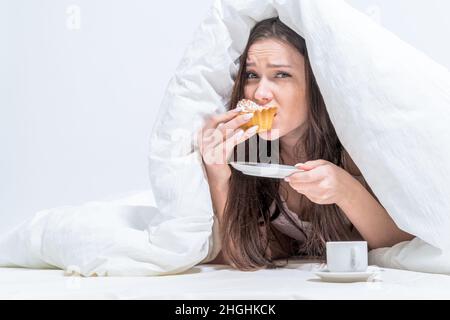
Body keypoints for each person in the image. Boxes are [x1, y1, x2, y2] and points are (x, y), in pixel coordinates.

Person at [198, 17, 413, 270]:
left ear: (316, 83)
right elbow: (251, 255)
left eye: (281, 74)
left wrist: (345, 189)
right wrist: (218, 178)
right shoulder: (252, 158)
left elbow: (404, 248)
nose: (259, 93)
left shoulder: (354, 150)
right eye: (252, 75)